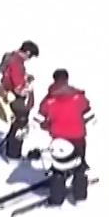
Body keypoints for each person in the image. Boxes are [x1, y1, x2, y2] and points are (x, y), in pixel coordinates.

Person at [37, 69, 92, 206]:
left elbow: (40, 117)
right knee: (79, 165)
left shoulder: (49, 100)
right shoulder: (78, 97)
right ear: (67, 79)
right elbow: (89, 115)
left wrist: (46, 126)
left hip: (58, 140)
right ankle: (80, 196)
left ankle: (57, 198)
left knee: (58, 168)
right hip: (78, 137)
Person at [0, 40, 40, 164]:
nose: (29, 59)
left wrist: (25, 77)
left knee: (16, 124)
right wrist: (29, 85)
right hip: (14, 98)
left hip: (7, 93)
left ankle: (10, 147)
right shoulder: (17, 64)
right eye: (30, 56)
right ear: (27, 53)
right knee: (20, 125)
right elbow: (19, 89)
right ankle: (13, 154)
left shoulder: (12, 58)